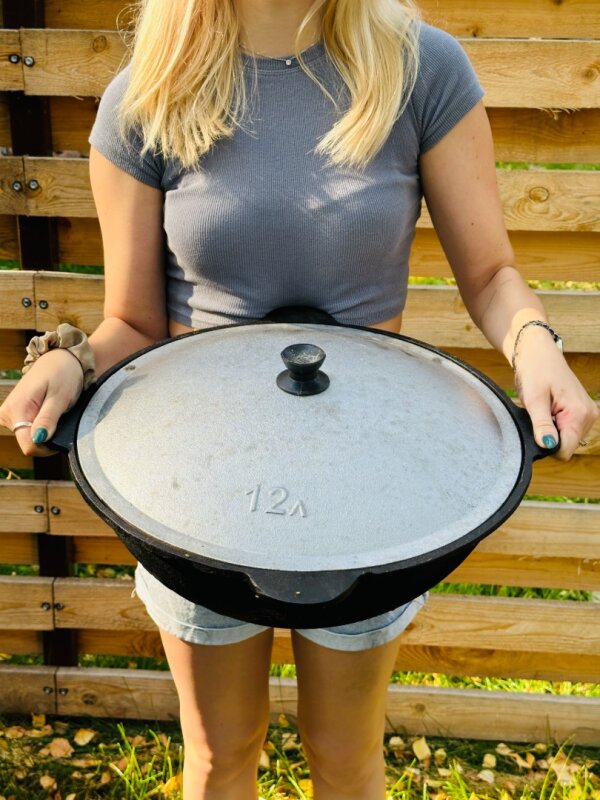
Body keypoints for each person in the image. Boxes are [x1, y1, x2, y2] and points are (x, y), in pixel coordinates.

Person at [1, 0, 597, 797]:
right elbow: (134, 323)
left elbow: (491, 276)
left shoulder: (421, 69)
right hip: (198, 491)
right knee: (221, 753)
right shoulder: (149, 91)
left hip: (367, 493)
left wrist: (534, 344)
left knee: (344, 753)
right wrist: (74, 364)